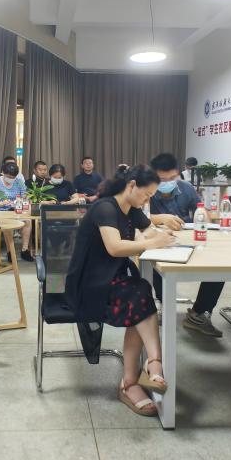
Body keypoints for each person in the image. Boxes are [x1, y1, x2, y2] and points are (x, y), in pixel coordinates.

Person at [65, 165, 177, 416]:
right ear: (132, 185)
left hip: (113, 279)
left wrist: (161, 235)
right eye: (146, 194)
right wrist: (152, 242)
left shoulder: (131, 209)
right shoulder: (105, 208)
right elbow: (114, 247)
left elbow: (149, 230)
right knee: (139, 295)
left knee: (141, 292)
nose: (147, 201)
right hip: (90, 285)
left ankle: (141, 373)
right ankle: (145, 370)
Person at [147, 153, 225, 338]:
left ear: (178, 174)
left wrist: (203, 215)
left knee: (219, 266)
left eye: (172, 178)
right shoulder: (146, 190)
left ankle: (199, 313)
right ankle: (164, 303)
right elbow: (134, 215)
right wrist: (160, 218)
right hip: (158, 243)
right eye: (162, 179)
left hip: (189, 240)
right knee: (157, 264)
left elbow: (201, 210)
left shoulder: (186, 188)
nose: (168, 182)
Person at [0, 161, 34, 261]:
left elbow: (25, 195)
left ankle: (25, 250)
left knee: (27, 221)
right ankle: (10, 252)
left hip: (16, 209)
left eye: (13, 177)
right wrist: (0, 203)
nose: (11, 179)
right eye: (9, 177)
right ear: (3, 173)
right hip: (0, 211)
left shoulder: (18, 182)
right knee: (8, 224)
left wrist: (22, 199)